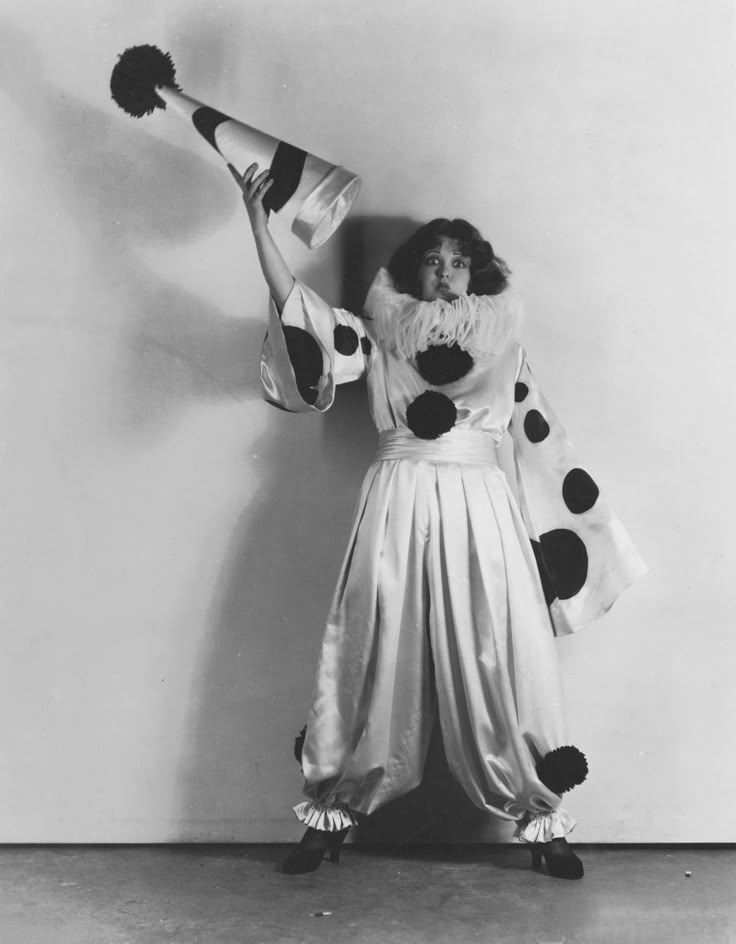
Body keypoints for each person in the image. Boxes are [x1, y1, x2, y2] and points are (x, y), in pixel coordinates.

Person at [229, 162, 647, 880]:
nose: (446, 272)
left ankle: (539, 815)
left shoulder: (506, 350)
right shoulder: (380, 340)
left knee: (503, 649)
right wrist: (259, 225)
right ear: (413, 275)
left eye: (459, 262)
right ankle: (331, 815)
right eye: (433, 260)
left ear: (476, 274)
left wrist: (581, 540)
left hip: (481, 504)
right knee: (370, 644)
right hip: (397, 498)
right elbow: (300, 309)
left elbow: (543, 444)